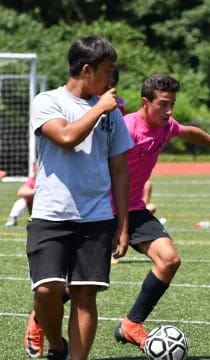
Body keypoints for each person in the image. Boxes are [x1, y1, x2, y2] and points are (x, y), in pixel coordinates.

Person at [113, 73, 210, 350]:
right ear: (145, 102)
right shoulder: (126, 128)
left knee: (169, 259)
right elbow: (111, 176)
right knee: (81, 281)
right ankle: (41, 313)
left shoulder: (165, 125)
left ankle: (131, 324)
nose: (169, 110)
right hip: (103, 211)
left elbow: (188, 131)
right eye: (162, 104)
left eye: (172, 103)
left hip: (133, 207)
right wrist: (120, 228)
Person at [24, 35, 133, 360]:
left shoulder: (112, 114)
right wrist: (99, 108)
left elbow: (120, 170)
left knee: (86, 297)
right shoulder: (48, 101)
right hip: (50, 215)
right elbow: (67, 137)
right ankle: (57, 345)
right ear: (87, 70)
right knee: (46, 290)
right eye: (107, 70)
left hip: (96, 218)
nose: (111, 78)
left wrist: (123, 224)